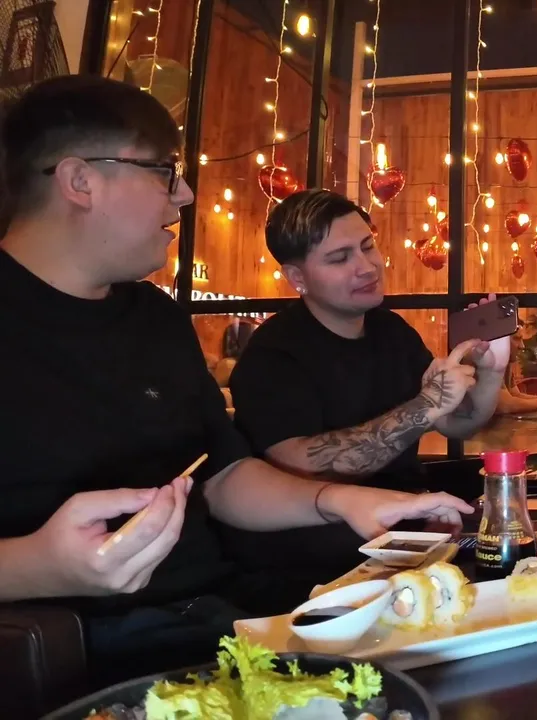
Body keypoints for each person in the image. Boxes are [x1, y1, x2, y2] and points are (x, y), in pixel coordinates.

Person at [0, 76, 473, 683]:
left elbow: (224, 476)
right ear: (80, 180)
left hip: (221, 616)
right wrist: (39, 565)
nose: (185, 193)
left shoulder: (154, 316)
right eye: (165, 171)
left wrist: (344, 501)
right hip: (78, 651)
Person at [227, 189, 507, 578]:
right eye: (340, 258)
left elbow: (459, 423)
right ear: (297, 278)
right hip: (316, 557)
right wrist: (425, 406)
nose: (367, 266)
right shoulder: (273, 355)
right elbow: (302, 467)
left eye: (367, 246)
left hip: (410, 530)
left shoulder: (391, 330)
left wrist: (491, 371)